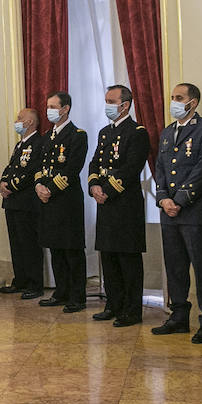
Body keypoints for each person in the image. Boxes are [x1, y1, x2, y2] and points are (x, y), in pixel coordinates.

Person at [152, 83, 202, 341]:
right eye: (172, 97)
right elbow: (160, 168)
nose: (174, 102)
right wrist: (163, 199)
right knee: (175, 267)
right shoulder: (168, 132)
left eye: (179, 98)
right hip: (169, 212)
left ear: (193, 102)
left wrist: (180, 199)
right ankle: (179, 315)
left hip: (194, 212)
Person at [88, 86, 151, 326]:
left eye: (111, 101)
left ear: (125, 105)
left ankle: (132, 310)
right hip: (105, 205)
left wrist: (108, 190)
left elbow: (132, 167)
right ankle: (113, 304)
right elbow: (95, 162)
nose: (107, 105)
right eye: (106, 100)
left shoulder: (137, 132)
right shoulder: (104, 133)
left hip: (125, 205)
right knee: (109, 258)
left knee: (128, 259)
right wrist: (94, 186)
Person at [35, 91, 89, 313]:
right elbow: (39, 166)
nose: (49, 110)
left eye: (53, 106)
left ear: (65, 108)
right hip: (47, 200)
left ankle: (77, 295)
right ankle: (61, 291)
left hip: (66, 201)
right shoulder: (47, 137)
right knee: (56, 248)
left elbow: (72, 169)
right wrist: (39, 185)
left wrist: (51, 189)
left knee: (71, 249)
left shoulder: (77, 135)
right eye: (48, 106)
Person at [0, 109, 46, 298]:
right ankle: (20, 280)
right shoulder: (20, 145)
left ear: (29, 122)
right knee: (16, 244)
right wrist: (2, 183)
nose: (16, 121)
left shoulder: (38, 143)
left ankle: (34, 284)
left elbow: (32, 171)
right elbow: (11, 167)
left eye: (20, 118)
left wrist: (10, 185)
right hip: (12, 202)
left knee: (29, 245)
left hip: (27, 202)